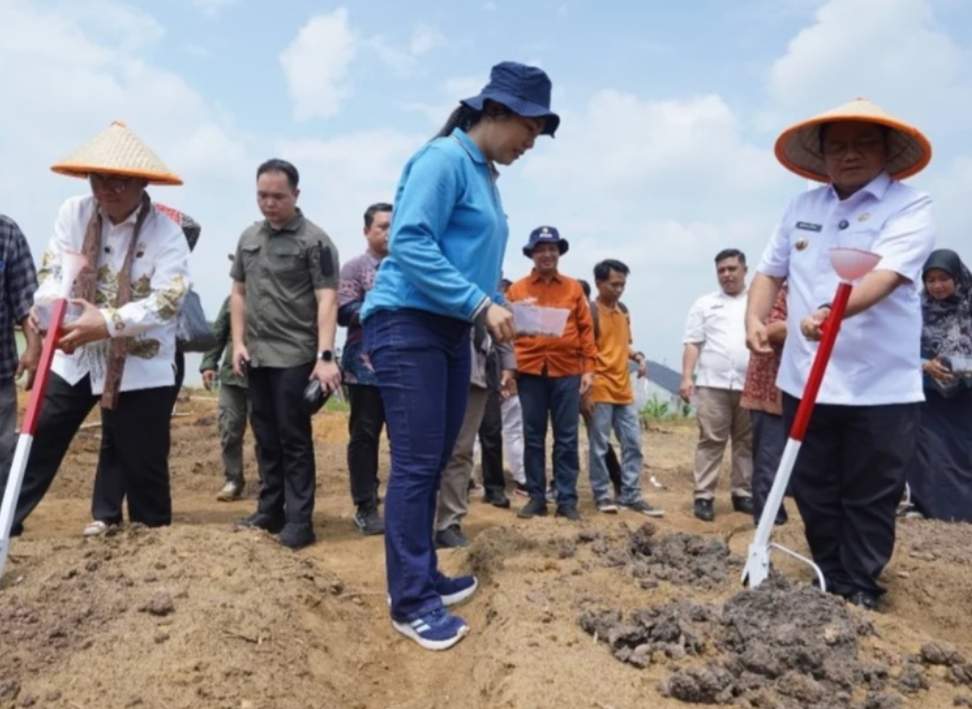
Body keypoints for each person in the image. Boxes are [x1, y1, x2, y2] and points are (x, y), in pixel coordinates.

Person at [361, 61, 558, 650]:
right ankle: (410, 602)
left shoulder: (485, 178)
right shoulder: (445, 160)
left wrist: (498, 307)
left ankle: (423, 575)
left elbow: (469, 264)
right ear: (495, 113)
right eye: (529, 128)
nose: (531, 143)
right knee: (418, 464)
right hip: (406, 324)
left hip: (447, 330)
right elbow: (410, 241)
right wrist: (479, 304)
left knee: (442, 456)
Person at [747, 98, 935, 610]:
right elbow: (769, 271)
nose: (849, 155)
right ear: (823, 154)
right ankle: (829, 576)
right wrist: (754, 320)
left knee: (871, 490)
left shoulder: (910, 207)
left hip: (881, 386)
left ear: (886, 150)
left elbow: (886, 276)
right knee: (813, 486)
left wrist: (833, 312)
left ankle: (861, 584)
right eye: (838, 146)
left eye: (863, 143)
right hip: (805, 379)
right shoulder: (802, 208)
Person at [3, 121, 189, 535]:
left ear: (142, 183)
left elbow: (167, 299)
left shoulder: (167, 234)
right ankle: (4, 521)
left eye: (119, 181)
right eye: (98, 179)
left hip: (140, 368)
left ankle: (154, 545)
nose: (107, 189)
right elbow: (53, 271)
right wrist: (52, 310)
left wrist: (106, 322)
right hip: (73, 356)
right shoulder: (74, 212)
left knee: (142, 462)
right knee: (36, 441)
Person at [231, 158, 341, 550]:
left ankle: (299, 520)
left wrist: (325, 356)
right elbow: (238, 294)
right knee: (264, 436)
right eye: (262, 195)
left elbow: (327, 298)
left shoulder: (315, 241)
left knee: (293, 438)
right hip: (256, 356)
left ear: (296, 194)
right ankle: (270, 509)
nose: (269, 203)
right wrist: (238, 342)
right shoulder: (248, 238)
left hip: (295, 355)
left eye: (278, 196)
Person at [508, 226, 596, 521]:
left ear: (559, 253)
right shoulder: (517, 289)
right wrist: (509, 369)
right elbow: (507, 332)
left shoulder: (573, 289)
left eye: (552, 249)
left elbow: (586, 331)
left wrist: (589, 370)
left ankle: (567, 499)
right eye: (541, 249)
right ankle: (536, 497)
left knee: (567, 437)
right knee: (533, 436)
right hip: (530, 371)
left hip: (567, 371)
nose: (547, 254)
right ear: (532, 254)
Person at [584, 259, 662, 517]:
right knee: (599, 445)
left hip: (623, 389)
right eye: (614, 284)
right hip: (600, 387)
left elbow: (621, 345)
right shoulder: (590, 312)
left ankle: (630, 494)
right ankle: (602, 494)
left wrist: (637, 356)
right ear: (599, 283)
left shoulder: (623, 312)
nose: (619, 289)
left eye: (622, 284)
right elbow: (584, 350)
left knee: (633, 444)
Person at [681, 248, 754, 522]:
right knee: (711, 440)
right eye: (721, 270)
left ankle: (742, 493)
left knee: (746, 442)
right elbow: (692, 342)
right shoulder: (704, 304)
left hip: (749, 385)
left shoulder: (757, 302)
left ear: (744, 270)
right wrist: (687, 377)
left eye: (732, 269)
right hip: (713, 384)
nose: (727, 275)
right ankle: (704, 496)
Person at [905, 249, 972, 522]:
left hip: (965, 396)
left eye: (943, 278)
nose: (937, 285)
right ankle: (925, 506)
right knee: (928, 451)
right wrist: (925, 364)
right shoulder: (915, 310)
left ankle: (965, 510)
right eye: (930, 279)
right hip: (928, 394)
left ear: (957, 278)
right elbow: (901, 349)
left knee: (963, 452)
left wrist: (960, 367)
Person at [435, 325, 516, 548]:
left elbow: (499, 318)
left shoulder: (491, 291)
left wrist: (508, 364)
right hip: (431, 364)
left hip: (477, 370)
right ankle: (418, 519)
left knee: (461, 450)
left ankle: (449, 523)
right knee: (425, 449)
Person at [338, 202, 392, 536]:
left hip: (404, 368)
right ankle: (365, 506)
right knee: (364, 436)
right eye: (382, 226)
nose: (388, 232)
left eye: (392, 227)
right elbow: (344, 310)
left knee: (404, 441)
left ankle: (401, 504)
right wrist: (382, 305)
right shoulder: (355, 268)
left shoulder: (410, 265)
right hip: (365, 367)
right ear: (366, 231)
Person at [740, 283, 788, 526]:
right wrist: (808, 325)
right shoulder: (774, 290)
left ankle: (775, 511)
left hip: (794, 388)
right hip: (770, 387)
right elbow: (771, 329)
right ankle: (769, 517)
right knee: (769, 457)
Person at [200, 288, 252, 502]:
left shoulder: (278, 293)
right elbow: (218, 333)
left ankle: (271, 481)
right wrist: (208, 364)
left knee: (266, 433)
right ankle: (233, 479)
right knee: (229, 428)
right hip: (232, 376)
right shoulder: (232, 300)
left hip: (265, 376)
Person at [0, 215, 40, 477]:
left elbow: (27, 301)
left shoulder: (6, 232)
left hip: (1, 370)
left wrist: (34, 347)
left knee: (2, 451)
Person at [498, 277, 528, 497]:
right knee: (513, 432)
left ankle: (470, 480)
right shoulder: (512, 315)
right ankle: (522, 479)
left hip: (487, 381)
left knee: (477, 435)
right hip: (505, 381)